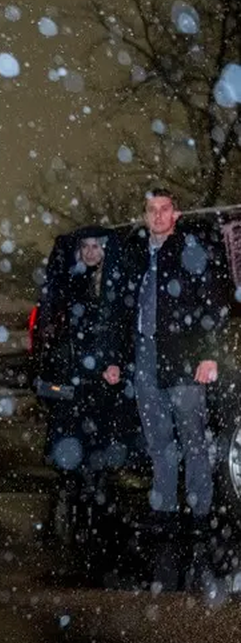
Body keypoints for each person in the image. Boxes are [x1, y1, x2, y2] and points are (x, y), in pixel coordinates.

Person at [104, 189, 229, 584]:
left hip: (183, 355)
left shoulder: (191, 250)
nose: (158, 216)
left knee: (193, 436)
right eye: (151, 210)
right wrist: (114, 357)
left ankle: (200, 513)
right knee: (158, 437)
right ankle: (164, 511)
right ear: (145, 216)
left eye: (164, 209)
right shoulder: (137, 256)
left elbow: (214, 304)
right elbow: (121, 308)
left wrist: (208, 355)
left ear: (176, 214)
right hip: (144, 355)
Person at [33, 227, 130, 573]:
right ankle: (77, 498)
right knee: (71, 431)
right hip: (73, 373)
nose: (90, 253)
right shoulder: (70, 282)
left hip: (101, 373)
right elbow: (57, 327)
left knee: (98, 433)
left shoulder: (113, 283)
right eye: (85, 247)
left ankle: (94, 499)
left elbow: (118, 326)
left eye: (96, 247)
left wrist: (113, 361)